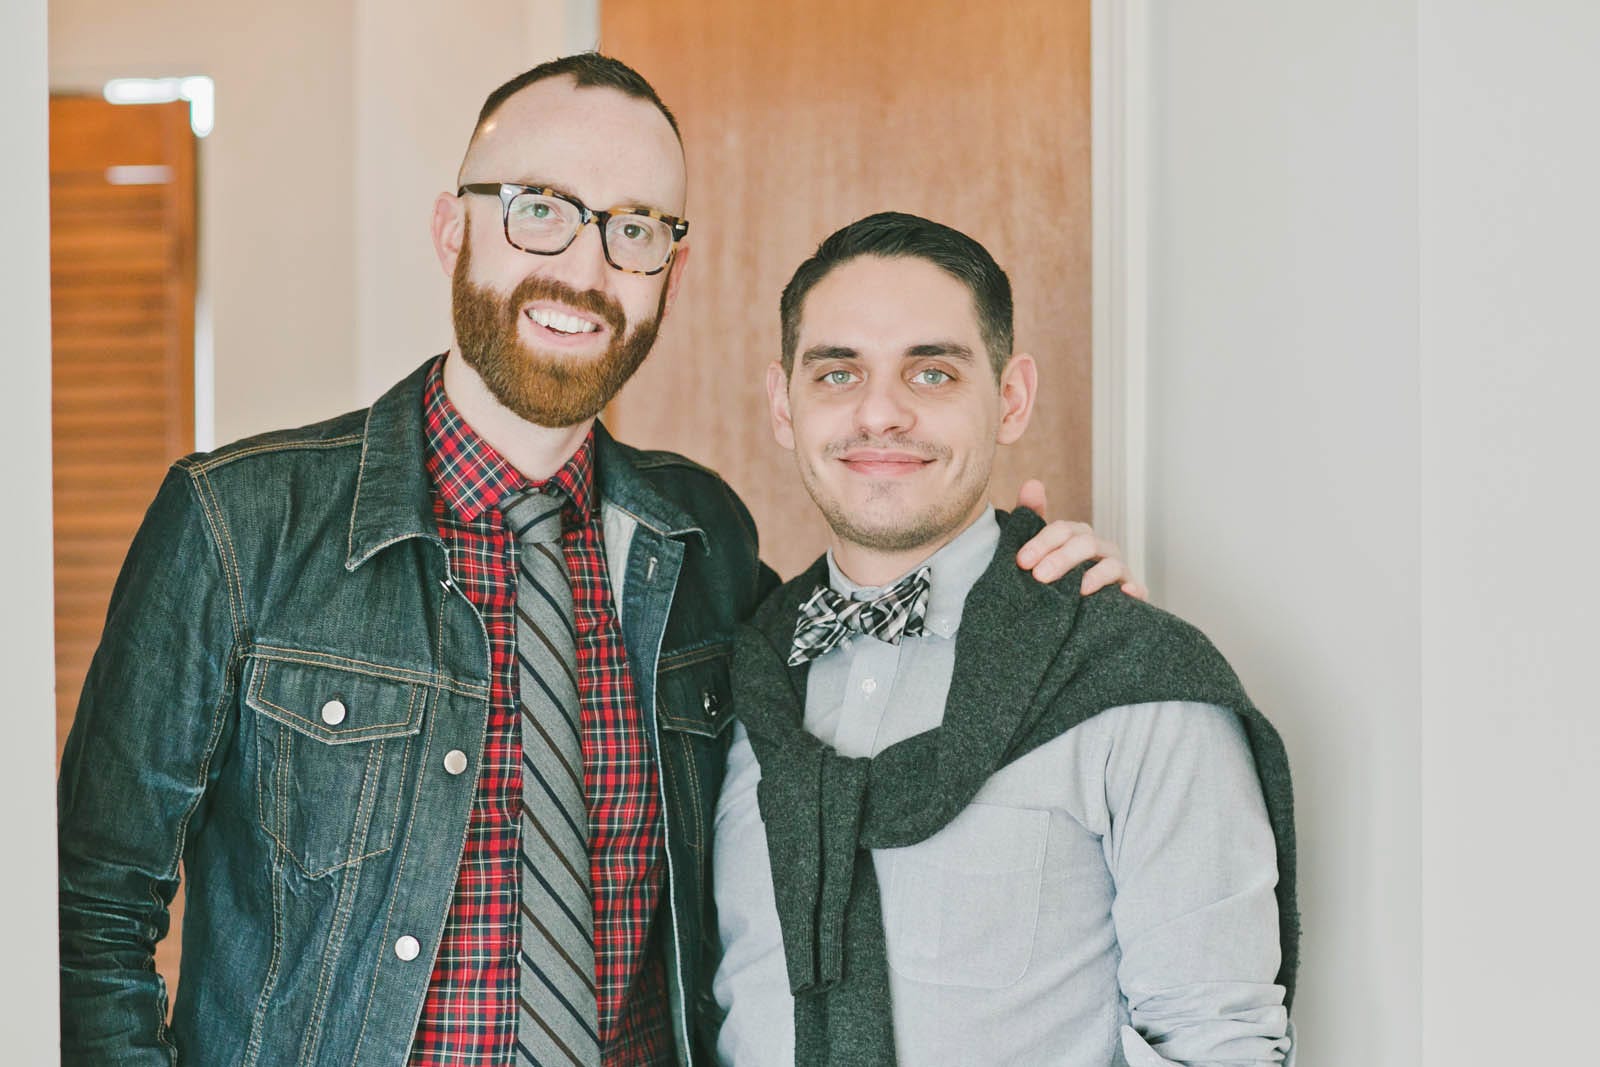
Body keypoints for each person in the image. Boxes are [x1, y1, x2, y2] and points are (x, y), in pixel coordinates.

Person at [56, 56, 1136, 1067]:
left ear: (672, 269)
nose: (585, 269)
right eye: (540, 210)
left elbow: (859, 671)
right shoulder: (238, 523)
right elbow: (90, 909)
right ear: (452, 229)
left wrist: (1010, 594)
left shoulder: (702, 539)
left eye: (634, 229)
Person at [712, 212, 1298, 1067]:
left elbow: (1218, 1044)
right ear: (783, 404)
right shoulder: (723, 678)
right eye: (838, 373)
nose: (881, 412)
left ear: (1011, 398)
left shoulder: (1130, 679)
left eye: (933, 372)